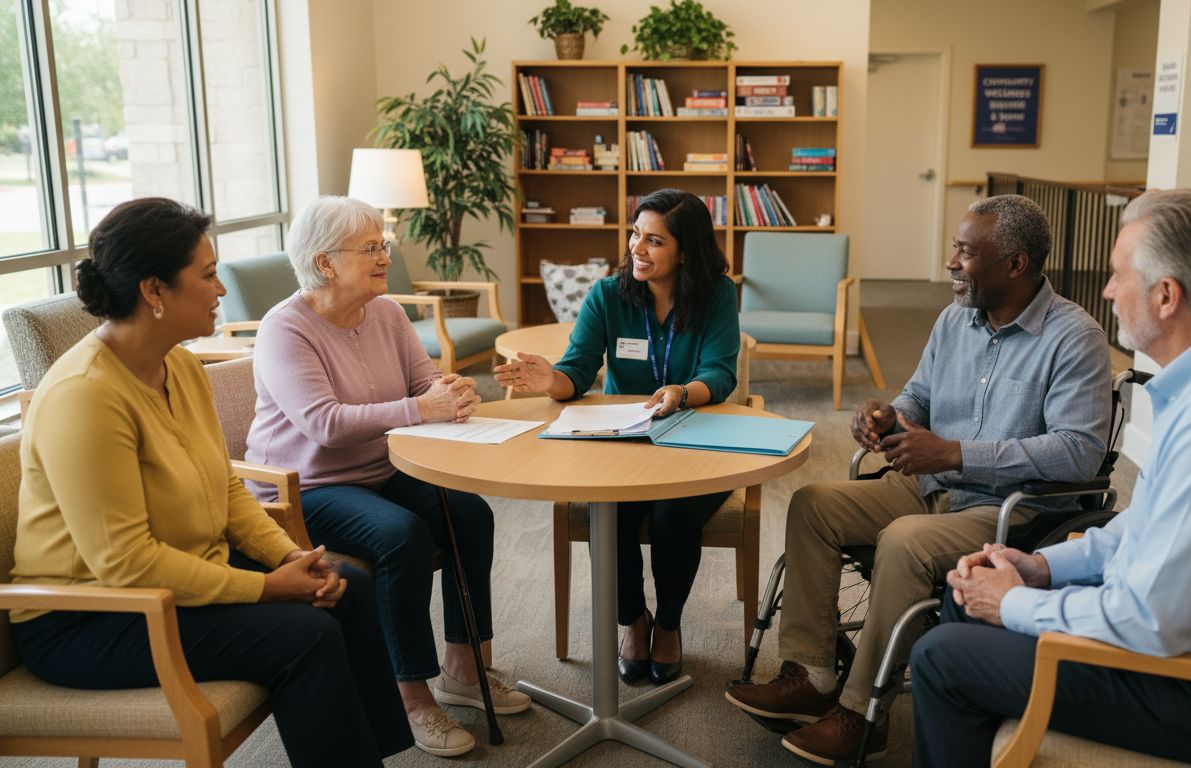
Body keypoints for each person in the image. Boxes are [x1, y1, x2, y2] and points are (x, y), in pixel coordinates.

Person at [911, 188, 1191, 767]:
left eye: (1119, 276)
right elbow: (1146, 526)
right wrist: (1041, 568)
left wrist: (1016, 603)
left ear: (1167, 296)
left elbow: (1149, 622)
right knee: (969, 601)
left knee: (944, 657)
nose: (1108, 291)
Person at [9, 197, 412, 767]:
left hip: (185, 575)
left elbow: (224, 489)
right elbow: (126, 564)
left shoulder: (177, 366)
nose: (221, 289)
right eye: (206, 275)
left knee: (346, 586)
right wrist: (269, 588)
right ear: (154, 291)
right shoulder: (86, 396)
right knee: (305, 634)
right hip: (93, 618)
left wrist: (290, 557)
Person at [725, 194, 1113, 765]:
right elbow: (919, 398)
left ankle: (863, 715)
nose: (951, 264)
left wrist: (956, 453)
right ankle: (810, 674)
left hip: (1011, 509)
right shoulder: (955, 319)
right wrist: (888, 415)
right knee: (812, 504)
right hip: (931, 485)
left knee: (904, 541)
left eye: (964, 252)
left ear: (1016, 264)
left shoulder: (1074, 337)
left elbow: (1078, 453)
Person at [245, 196, 529, 759]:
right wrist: (422, 409)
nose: (384, 256)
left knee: (470, 512)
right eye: (370, 248)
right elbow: (324, 425)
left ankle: (464, 668)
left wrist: (453, 393)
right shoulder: (286, 329)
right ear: (324, 263)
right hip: (306, 489)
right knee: (401, 536)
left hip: (382, 465)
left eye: (383, 245)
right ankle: (411, 696)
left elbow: (423, 387)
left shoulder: (388, 312)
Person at [494, 188, 739, 685]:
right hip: (625, 440)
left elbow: (720, 371)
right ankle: (633, 620)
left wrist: (682, 391)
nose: (636, 249)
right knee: (611, 511)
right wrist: (551, 382)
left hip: (696, 435)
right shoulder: (608, 295)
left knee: (674, 514)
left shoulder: (717, 294)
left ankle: (668, 623)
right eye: (634, 234)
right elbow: (577, 369)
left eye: (654, 241)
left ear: (685, 251)